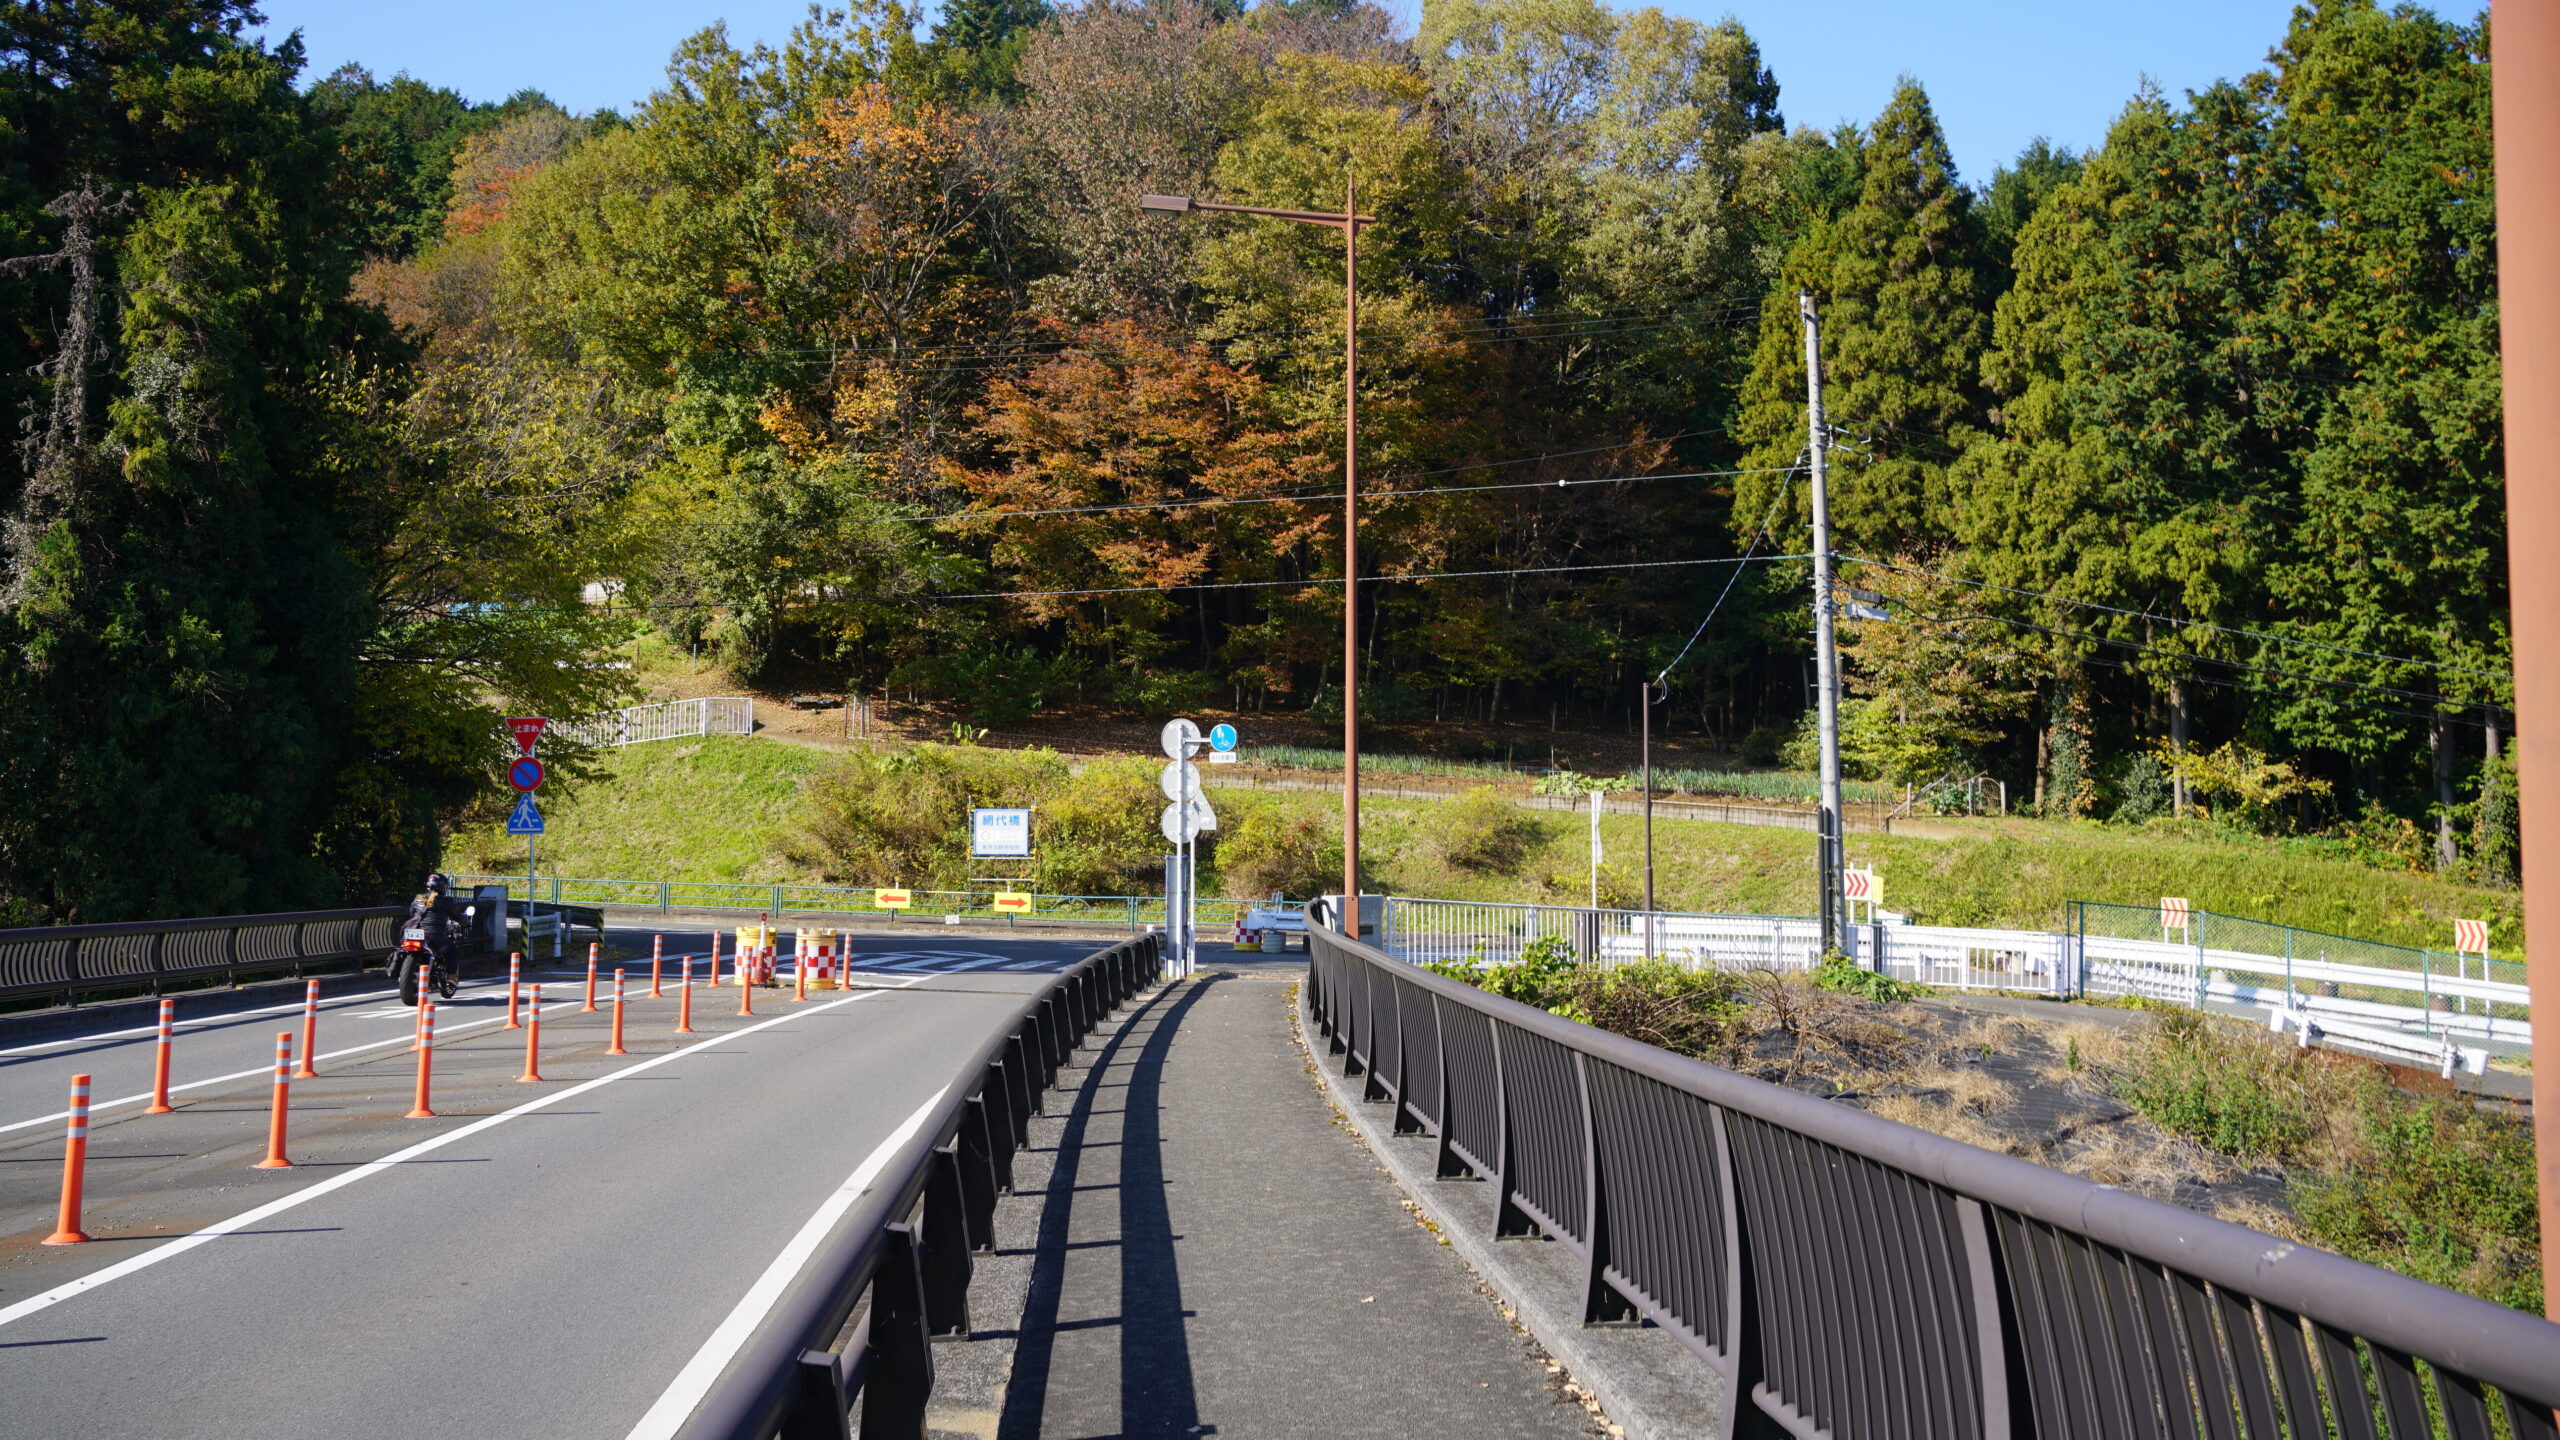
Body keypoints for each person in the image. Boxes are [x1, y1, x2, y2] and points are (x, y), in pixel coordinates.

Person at [400, 874, 472, 1001]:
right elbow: (458, 916)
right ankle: (451, 978)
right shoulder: (446, 901)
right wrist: (465, 921)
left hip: (415, 932)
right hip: (435, 936)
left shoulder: (418, 898)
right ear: (442, 887)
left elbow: (412, 913)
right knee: (452, 950)